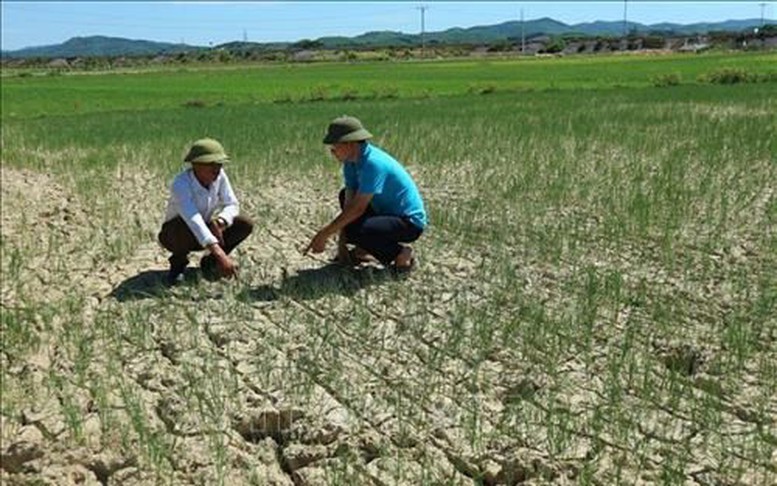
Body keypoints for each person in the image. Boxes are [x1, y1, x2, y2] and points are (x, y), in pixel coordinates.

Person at [305, 115, 427, 271]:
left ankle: (401, 253)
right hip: (384, 214)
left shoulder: (373, 164)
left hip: (408, 223)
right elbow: (349, 205)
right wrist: (341, 247)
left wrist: (323, 235)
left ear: (349, 144)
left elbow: (357, 210)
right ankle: (364, 251)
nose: (332, 152)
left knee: (355, 229)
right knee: (346, 202)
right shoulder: (350, 163)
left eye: (335, 147)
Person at [158, 138, 253, 284]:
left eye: (219, 164)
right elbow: (193, 219)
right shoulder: (181, 184)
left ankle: (210, 263)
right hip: (176, 235)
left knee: (244, 223)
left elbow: (232, 204)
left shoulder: (220, 176)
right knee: (181, 226)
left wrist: (221, 221)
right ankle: (178, 266)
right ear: (196, 165)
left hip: (206, 231)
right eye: (211, 164)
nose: (216, 169)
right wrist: (220, 253)